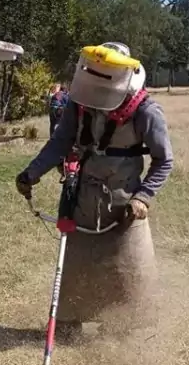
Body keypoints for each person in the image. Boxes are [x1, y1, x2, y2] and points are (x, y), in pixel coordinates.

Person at [16, 42, 173, 339]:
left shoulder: (146, 111)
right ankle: (68, 324)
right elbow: (60, 141)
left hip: (124, 205)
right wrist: (32, 172)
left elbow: (164, 160)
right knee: (76, 266)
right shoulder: (81, 101)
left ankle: (121, 327)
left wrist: (143, 197)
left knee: (125, 271)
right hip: (84, 199)